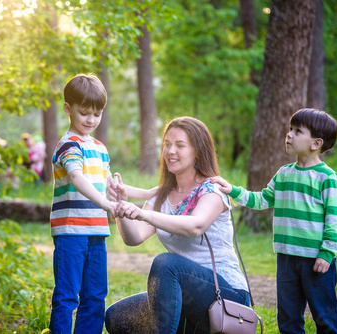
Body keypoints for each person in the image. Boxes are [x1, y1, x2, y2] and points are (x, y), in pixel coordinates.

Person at [104, 116, 250, 334]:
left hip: (225, 297)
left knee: (167, 263)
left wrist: (145, 215)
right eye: (167, 145)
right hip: (184, 296)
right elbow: (133, 238)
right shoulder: (161, 196)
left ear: (198, 152)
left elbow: (195, 225)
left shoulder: (213, 190)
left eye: (180, 145)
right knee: (117, 317)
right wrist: (119, 205)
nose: (171, 151)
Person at [212, 108, 337, 334]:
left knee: (325, 317)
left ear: (316, 143)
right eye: (290, 129)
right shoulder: (283, 173)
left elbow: (334, 219)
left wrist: (327, 253)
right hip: (286, 259)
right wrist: (232, 190)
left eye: (298, 131)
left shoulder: (327, 177)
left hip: (315, 260)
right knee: (288, 318)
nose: (289, 135)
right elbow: (261, 199)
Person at [49, 73, 156, 334]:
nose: (90, 120)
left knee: (95, 296)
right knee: (67, 296)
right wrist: (107, 205)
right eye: (84, 112)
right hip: (71, 231)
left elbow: (111, 185)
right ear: (68, 109)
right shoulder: (69, 145)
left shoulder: (99, 147)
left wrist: (151, 192)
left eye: (96, 114)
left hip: (97, 231)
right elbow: (77, 178)